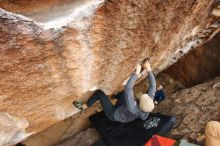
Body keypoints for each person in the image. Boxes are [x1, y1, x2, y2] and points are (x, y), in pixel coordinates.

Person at [73, 59, 156, 123]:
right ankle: (114, 96)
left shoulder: (133, 108)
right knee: (125, 94)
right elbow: (153, 86)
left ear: (140, 104)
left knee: (99, 93)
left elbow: (128, 88)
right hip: (123, 108)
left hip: (114, 114)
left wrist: (137, 73)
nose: (144, 95)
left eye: (143, 98)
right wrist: (148, 69)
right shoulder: (148, 105)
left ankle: (84, 106)